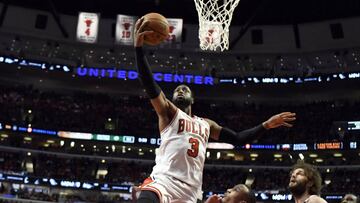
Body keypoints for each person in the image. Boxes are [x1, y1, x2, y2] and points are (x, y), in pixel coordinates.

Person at [134, 17, 296, 203]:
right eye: (177, 89)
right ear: (170, 98)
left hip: (191, 191)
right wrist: (138, 49)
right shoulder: (168, 113)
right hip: (164, 181)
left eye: (185, 89)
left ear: (192, 99)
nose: (180, 90)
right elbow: (150, 84)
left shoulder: (206, 124)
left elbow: (237, 139)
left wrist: (266, 125)